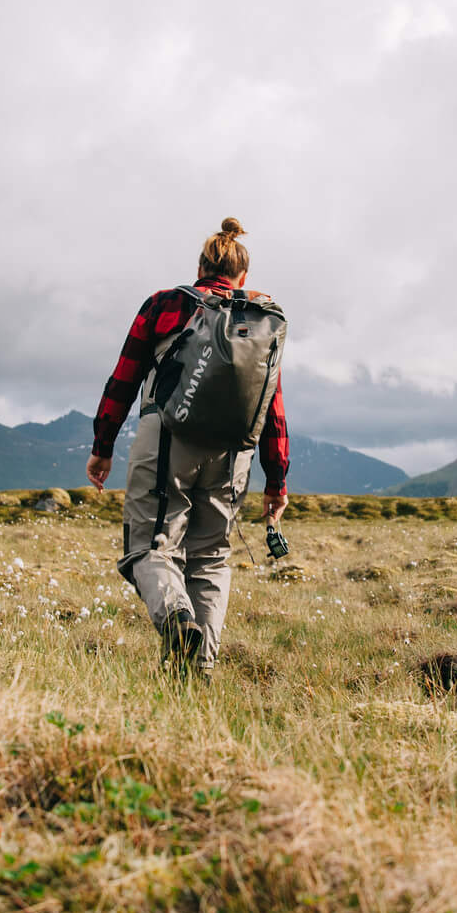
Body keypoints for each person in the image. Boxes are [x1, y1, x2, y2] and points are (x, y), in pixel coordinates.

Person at [88, 217, 289, 678]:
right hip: (233, 454)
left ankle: (176, 618)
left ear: (201, 265)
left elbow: (124, 377)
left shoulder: (166, 304)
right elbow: (271, 404)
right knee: (211, 558)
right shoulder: (260, 318)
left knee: (149, 547)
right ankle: (199, 671)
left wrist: (103, 445)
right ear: (243, 277)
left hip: (167, 439)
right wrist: (277, 480)